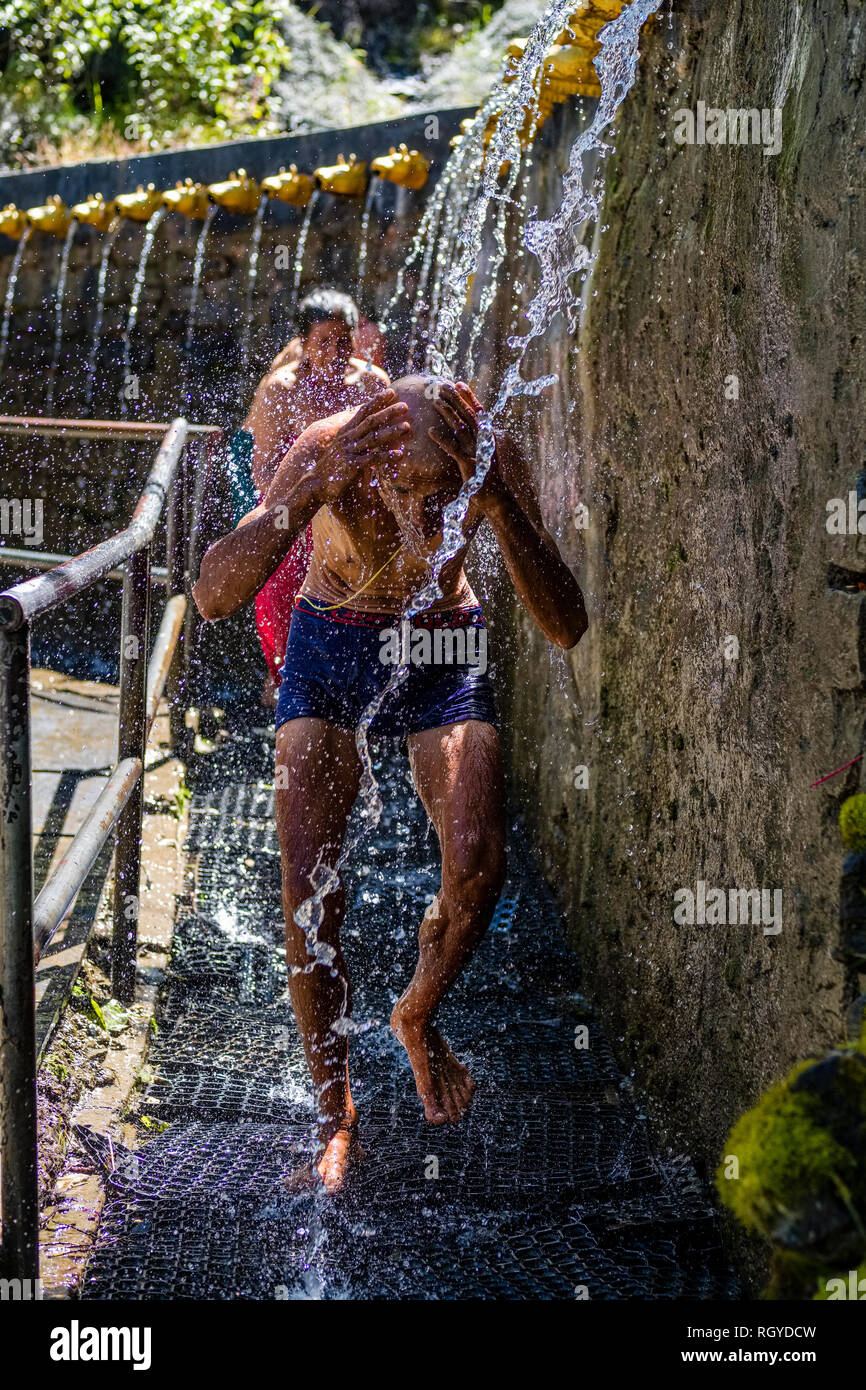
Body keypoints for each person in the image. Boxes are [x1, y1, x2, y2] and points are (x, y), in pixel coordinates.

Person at [193, 375, 587, 1191]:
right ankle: (335, 1117)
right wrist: (297, 503)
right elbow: (211, 595)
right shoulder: (328, 449)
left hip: (441, 643)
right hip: (333, 637)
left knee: (478, 862)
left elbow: (567, 624)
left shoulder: (484, 455)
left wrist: (498, 503)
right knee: (308, 882)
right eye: (401, 493)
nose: (420, 517)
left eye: (441, 499)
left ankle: (414, 1013)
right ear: (371, 462)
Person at [228, 289, 389, 695]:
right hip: (294, 508)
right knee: (280, 581)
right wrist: (305, 507)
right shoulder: (280, 389)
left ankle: (358, 690)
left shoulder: (373, 383)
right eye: (323, 342)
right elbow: (263, 471)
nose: (335, 353)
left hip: (355, 507)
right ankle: (287, 680)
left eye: (343, 341)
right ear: (303, 342)